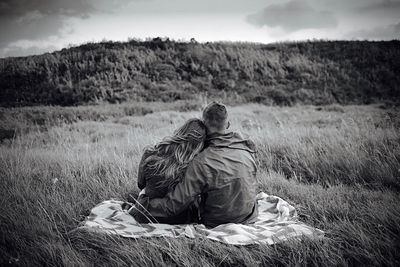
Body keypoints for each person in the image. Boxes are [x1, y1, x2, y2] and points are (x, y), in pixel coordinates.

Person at [131, 102, 258, 227]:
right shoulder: (247, 147)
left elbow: (173, 205)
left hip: (217, 222)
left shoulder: (201, 161)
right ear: (228, 124)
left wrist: (143, 205)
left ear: (204, 126)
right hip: (250, 216)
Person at [130, 118, 207, 224]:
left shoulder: (150, 152)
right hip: (179, 218)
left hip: (145, 214)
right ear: (200, 144)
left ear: (181, 131)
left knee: (143, 193)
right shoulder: (194, 165)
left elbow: (140, 184)